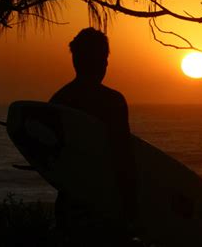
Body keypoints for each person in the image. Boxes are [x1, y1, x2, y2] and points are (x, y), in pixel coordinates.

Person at [49, 28, 137, 243]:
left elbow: (51, 160)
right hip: (106, 204)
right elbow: (122, 156)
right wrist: (130, 207)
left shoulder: (58, 101)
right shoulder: (112, 101)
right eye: (102, 58)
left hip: (70, 205)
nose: (105, 64)